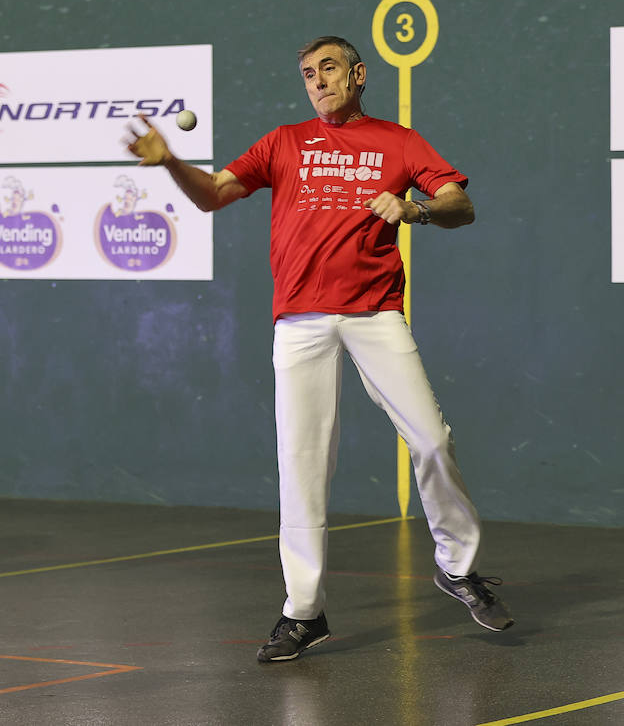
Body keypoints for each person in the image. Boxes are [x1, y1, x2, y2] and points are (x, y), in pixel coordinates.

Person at [126, 35, 512, 662]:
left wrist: (413, 208)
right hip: (300, 322)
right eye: (308, 73)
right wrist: (172, 163)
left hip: (375, 314)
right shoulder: (283, 142)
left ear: (359, 74)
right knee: (302, 466)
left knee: (433, 439)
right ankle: (304, 613)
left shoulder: (400, 141)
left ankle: (457, 568)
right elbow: (214, 194)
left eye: (328, 69)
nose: (318, 81)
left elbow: (460, 205)